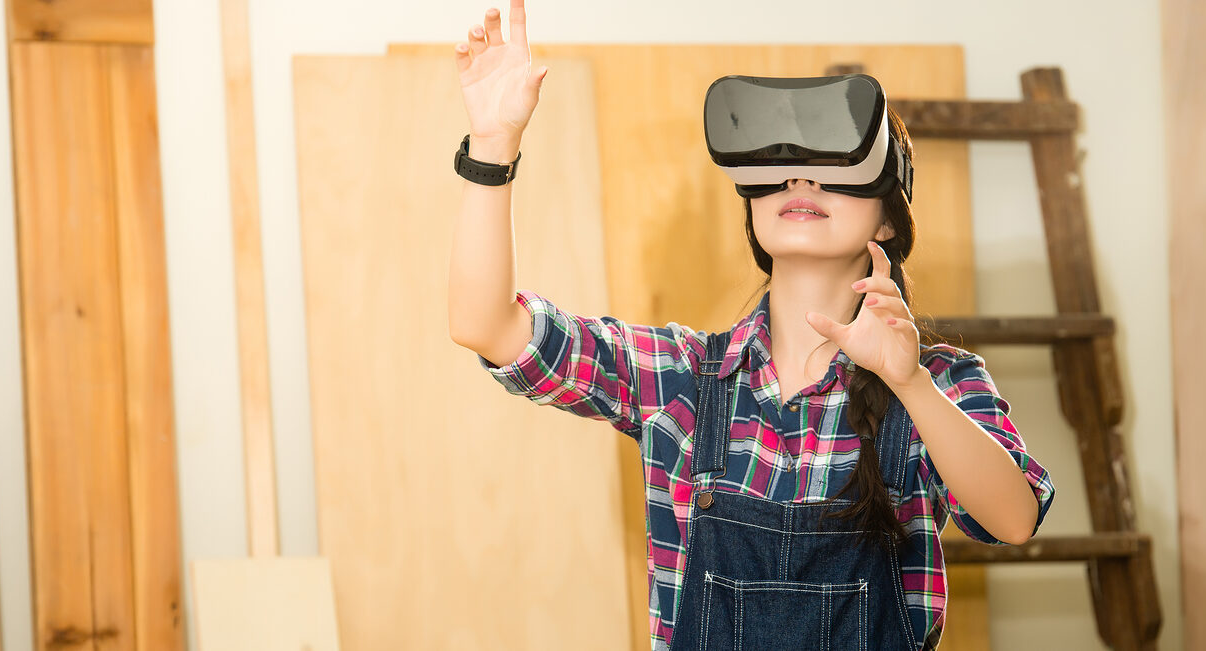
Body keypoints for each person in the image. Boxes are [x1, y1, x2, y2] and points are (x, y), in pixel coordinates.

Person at [446, 2, 1055, 649]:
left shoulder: (938, 383)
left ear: (887, 219)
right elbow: (487, 324)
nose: (800, 177)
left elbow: (1014, 518)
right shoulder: (680, 377)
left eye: (833, 163)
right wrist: (492, 145)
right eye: (779, 162)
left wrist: (910, 384)